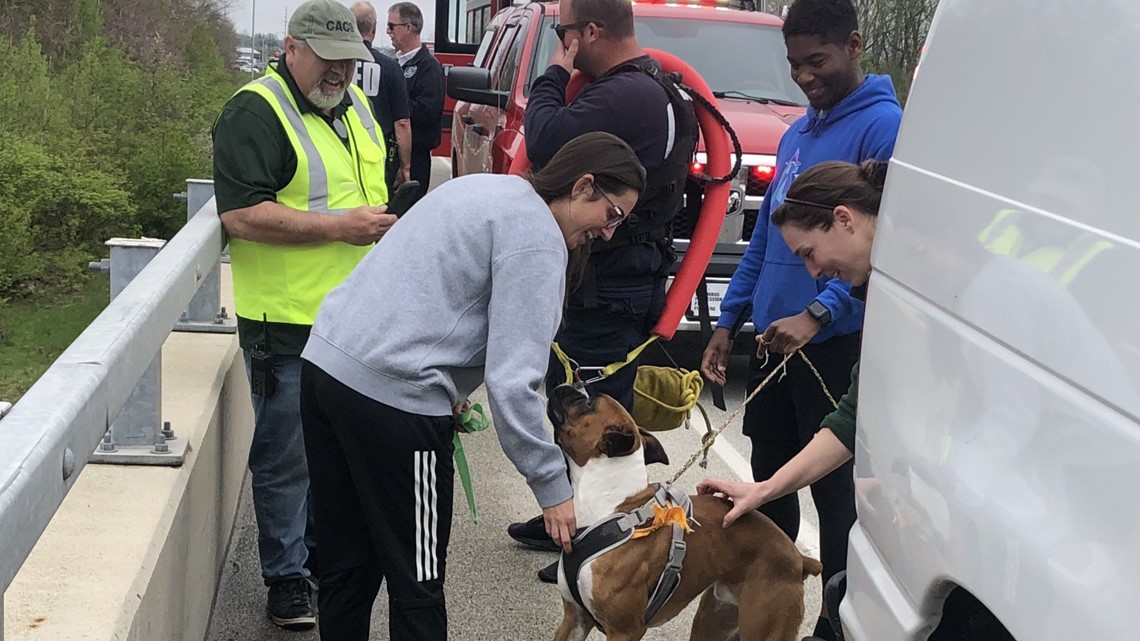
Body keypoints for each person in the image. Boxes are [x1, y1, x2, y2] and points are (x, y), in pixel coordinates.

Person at [298, 131, 645, 641]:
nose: (610, 233)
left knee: (346, 564)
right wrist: (552, 486)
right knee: (416, 581)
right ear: (584, 185)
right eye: (612, 215)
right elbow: (515, 381)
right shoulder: (539, 241)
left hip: (326, 369)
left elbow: (426, 288)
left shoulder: (487, 190)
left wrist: (453, 390)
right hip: (395, 403)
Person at [698, 1, 901, 638]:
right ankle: (761, 607)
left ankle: (833, 624)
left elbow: (875, 254)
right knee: (769, 484)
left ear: (854, 45)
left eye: (817, 61)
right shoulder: (794, 134)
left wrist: (819, 312)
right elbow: (767, 239)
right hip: (771, 345)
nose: (806, 77)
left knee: (838, 502)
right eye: (795, 66)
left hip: (832, 347)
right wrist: (730, 319)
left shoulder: (884, 128)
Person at [211, 0, 394, 630]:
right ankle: (286, 577)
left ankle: (315, 557)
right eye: (327, 57)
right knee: (286, 458)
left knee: (332, 456)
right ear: (291, 47)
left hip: (353, 324)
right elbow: (242, 215)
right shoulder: (255, 111)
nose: (340, 71)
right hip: (285, 325)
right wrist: (340, 228)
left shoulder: (356, 107)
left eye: (349, 60)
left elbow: (372, 193)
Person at [505, 0, 699, 583]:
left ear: (591, 30)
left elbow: (544, 139)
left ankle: (593, 548)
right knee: (580, 410)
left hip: (609, 285)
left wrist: (554, 73)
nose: (563, 45)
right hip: (621, 281)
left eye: (565, 34)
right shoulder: (655, 90)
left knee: (596, 425)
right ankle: (566, 525)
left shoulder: (625, 94)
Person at [352, 1, 413, 187]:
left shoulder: (334, 65)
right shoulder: (390, 68)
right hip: (379, 156)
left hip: (339, 151)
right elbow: (402, 123)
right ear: (374, 28)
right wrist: (405, 166)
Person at [387, 1, 443, 203]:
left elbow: (429, 111)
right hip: (389, 154)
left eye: (392, 26)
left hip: (416, 156)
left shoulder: (429, 67)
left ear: (408, 27)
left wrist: (395, 107)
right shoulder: (393, 66)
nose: (388, 31)